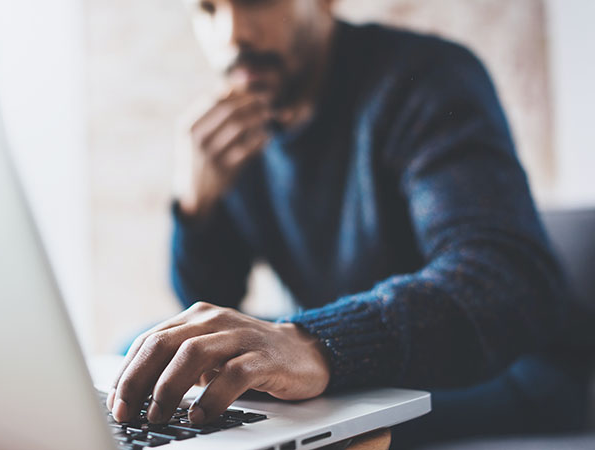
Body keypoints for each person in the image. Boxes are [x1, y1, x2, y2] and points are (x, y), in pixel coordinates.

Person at [106, 0, 591, 447]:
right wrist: (198, 208)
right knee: (145, 351)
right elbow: (211, 292)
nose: (232, 34)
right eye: (207, 7)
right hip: (360, 360)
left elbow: (506, 279)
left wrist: (319, 341)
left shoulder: (425, 78)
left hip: (515, 370)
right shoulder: (242, 126)